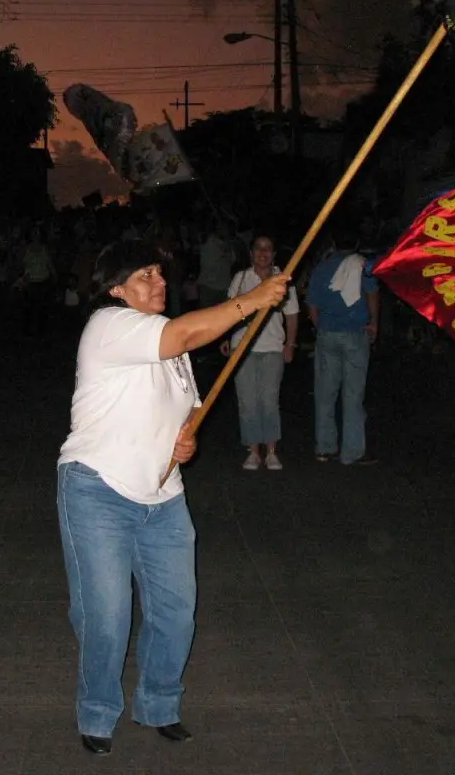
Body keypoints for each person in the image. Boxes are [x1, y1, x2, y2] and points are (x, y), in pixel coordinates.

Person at [57, 239, 290, 755]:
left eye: (161, 274)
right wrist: (253, 300)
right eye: (144, 276)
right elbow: (186, 331)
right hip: (98, 490)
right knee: (107, 615)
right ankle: (97, 711)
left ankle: (160, 703)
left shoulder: (175, 354)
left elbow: (189, 413)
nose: (159, 283)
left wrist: (187, 438)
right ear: (117, 289)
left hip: (163, 496)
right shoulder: (109, 325)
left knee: (175, 611)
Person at [221, 234, 299, 471]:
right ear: (252, 252)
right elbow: (229, 310)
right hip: (242, 347)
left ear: (274, 254)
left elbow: (292, 314)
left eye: (268, 249)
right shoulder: (241, 277)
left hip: (273, 347)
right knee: (247, 402)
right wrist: (226, 336)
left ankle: (271, 451)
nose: (263, 253)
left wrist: (291, 344)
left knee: (268, 401)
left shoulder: (282, 279)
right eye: (258, 248)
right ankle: (253, 451)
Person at [306, 229, 379, 465]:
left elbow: (312, 305)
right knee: (353, 395)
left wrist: (322, 328)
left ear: (334, 243)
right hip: (355, 333)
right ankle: (352, 452)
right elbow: (372, 294)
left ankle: (325, 448)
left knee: (325, 393)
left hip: (328, 333)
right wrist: (374, 322)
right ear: (356, 243)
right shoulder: (362, 265)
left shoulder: (322, 267)